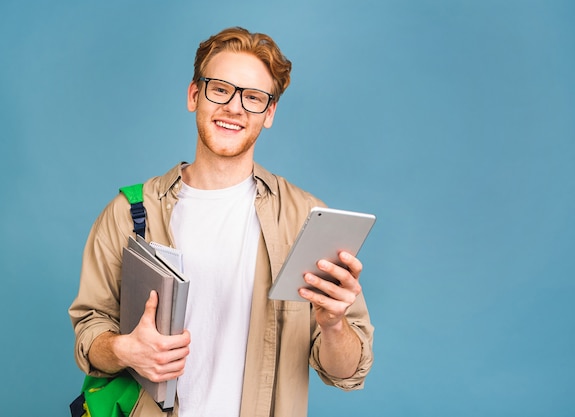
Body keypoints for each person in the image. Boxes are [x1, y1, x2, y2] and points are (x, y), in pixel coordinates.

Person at [69, 26, 374, 417]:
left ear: (269, 113)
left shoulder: (306, 219)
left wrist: (333, 325)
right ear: (194, 95)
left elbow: (346, 372)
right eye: (220, 89)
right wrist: (123, 349)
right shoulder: (129, 212)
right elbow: (89, 330)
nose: (234, 107)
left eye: (253, 98)